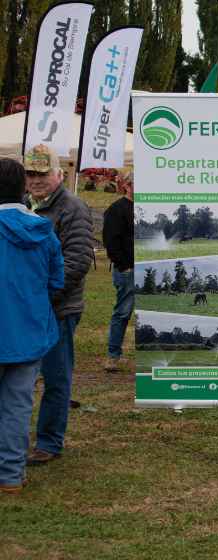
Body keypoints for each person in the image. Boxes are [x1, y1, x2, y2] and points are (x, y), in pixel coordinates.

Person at [23, 144, 94, 466]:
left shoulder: (73, 208)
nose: (36, 180)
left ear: (58, 174)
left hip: (58, 310)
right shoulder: (23, 206)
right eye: (30, 174)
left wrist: (41, 298)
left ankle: (49, 442)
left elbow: (76, 262)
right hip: (25, 309)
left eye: (42, 174)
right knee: (21, 378)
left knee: (55, 377)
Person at [0, 158, 64, 494]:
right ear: (23, 186)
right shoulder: (43, 229)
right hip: (29, 330)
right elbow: (56, 280)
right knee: (18, 405)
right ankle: (10, 475)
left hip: (22, 329)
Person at [102, 171, 135, 372]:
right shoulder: (116, 209)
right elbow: (110, 241)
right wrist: (125, 266)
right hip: (128, 271)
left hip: (148, 268)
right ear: (128, 186)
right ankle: (113, 356)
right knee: (123, 313)